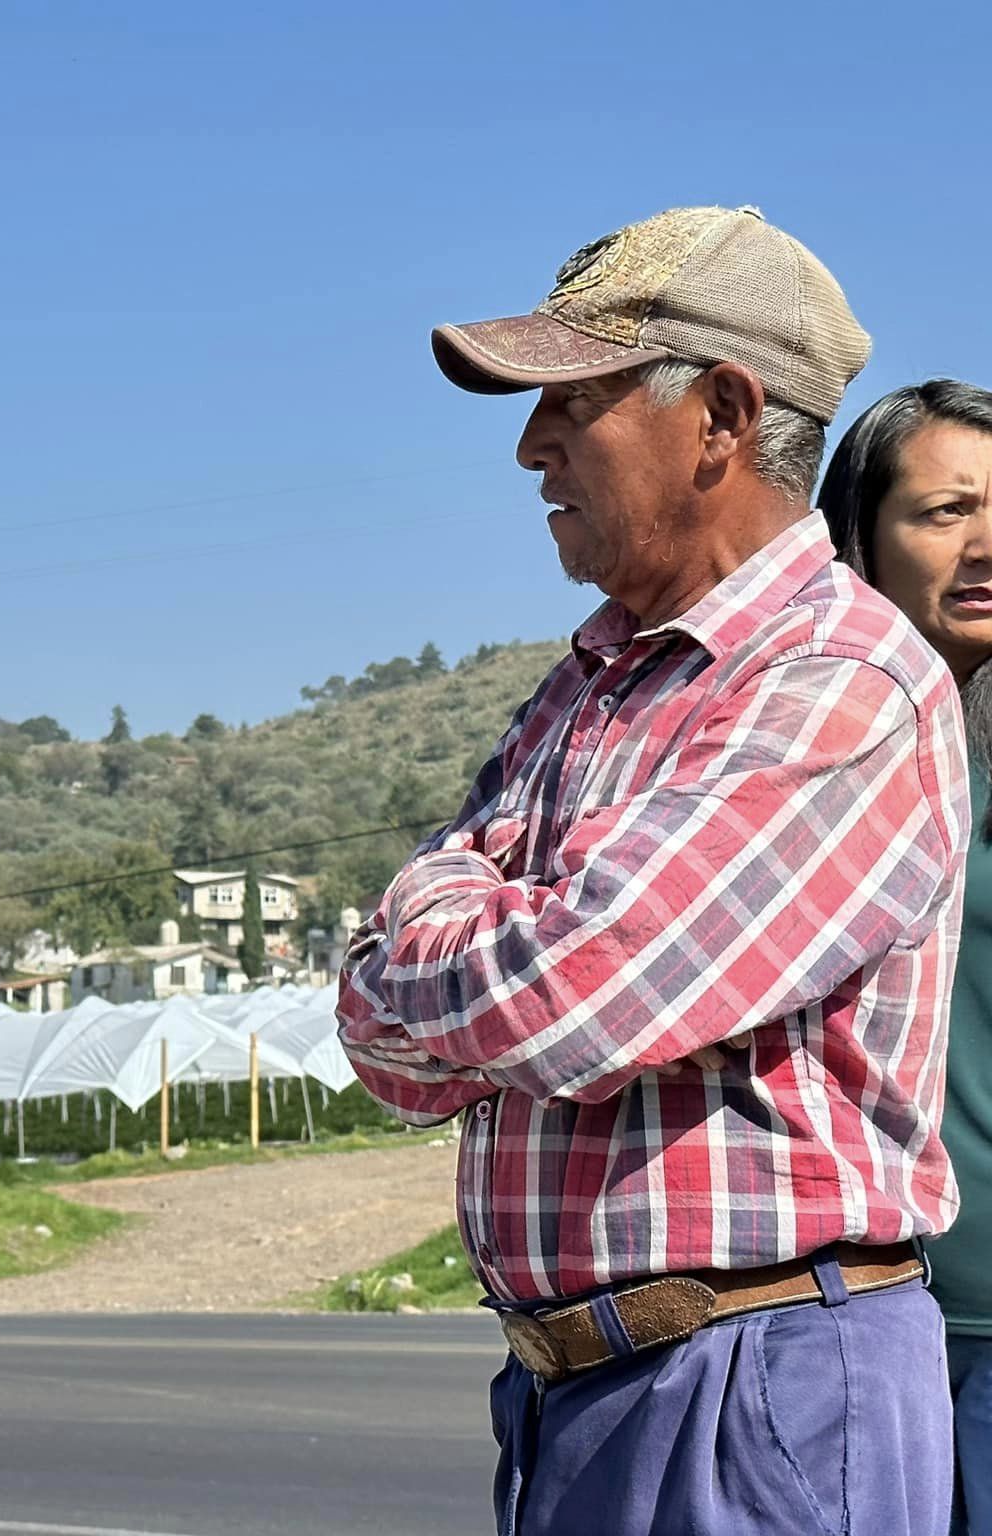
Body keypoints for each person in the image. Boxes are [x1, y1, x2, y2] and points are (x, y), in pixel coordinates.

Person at [338, 205, 967, 1535]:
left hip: (755, 1387)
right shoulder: (588, 686)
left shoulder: (838, 683)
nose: (529, 446)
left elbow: (577, 997)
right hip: (591, 1389)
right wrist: (468, 948)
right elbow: (381, 1042)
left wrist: (462, 934)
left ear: (725, 417)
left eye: (575, 401)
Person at [819, 379, 992, 1535]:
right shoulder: (802, 763)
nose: (985, 544)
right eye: (942, 511)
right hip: (850, 1316)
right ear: (857, 543)